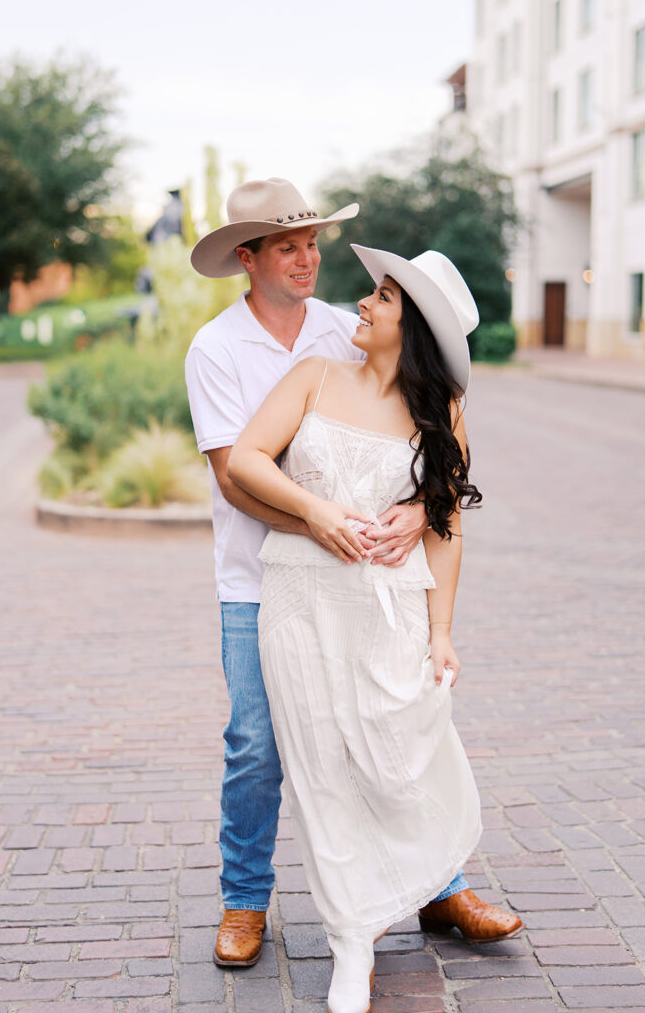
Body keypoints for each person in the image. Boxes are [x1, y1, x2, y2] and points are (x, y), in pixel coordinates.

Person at [227, 244, 523, 1013]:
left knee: (397, 760)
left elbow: (447, 523)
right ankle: (349, 945)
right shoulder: (315, 377)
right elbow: (248, 461)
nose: (362, 303)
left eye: (383, 297)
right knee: (321, 772)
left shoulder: (441, 413)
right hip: (298, 601)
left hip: (387, 609)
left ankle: (425, 885)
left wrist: (442, 632)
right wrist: (315, 511)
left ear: (414, 327)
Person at [185, 179, 433, 968]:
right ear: (246, 259)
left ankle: (439, 883)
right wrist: (320, 527)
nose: (306, 259)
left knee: (385, 726)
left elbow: (423, 431)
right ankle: (244, 902)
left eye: (312, 242)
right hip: (255, 581)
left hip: (354, 577)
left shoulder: (345, 331)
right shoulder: (216, 349)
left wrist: (425, 510)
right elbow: (233, 477)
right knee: (256, 745)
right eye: (286, 246)